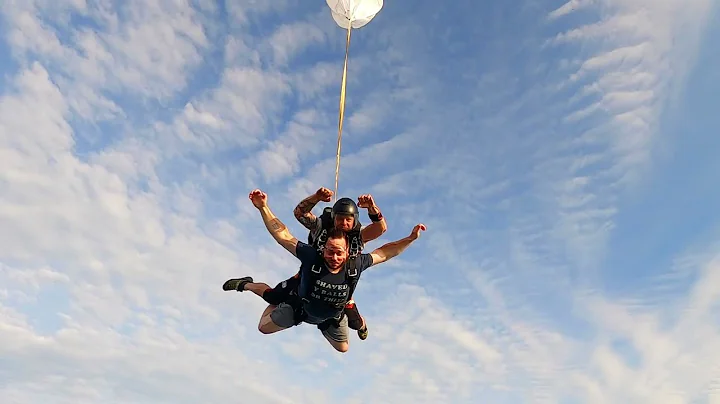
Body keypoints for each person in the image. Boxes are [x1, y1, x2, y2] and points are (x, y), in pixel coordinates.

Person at [223, 189, 425, 353]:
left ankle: (341, 322)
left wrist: (409, 238)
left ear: (347, 252)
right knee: (268, 310)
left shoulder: (356, 252)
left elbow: (385, 249)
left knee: (344, 346)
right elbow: (283, 234)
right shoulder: (316, 242)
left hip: (332, 309)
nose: (334, 257)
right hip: (305, 292)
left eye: (339, 253)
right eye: (329, 252)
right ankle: (248, 285)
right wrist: (264, 207)